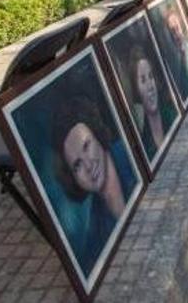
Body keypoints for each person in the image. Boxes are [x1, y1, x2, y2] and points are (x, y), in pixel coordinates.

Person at [51, 98, 138, 275]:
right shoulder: (95, 239)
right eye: (77, 165)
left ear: (97, 136)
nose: (89, 166)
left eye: (86, 145)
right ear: (73, 178)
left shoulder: (137, 157)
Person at [127, 46, 177, 156]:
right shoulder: (143, 140)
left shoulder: (173, 115)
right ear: (136, 90)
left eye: (151, 76)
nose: (150, 86)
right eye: (143, 80)